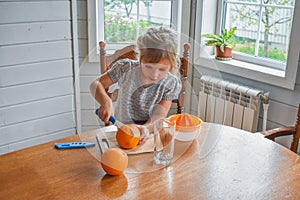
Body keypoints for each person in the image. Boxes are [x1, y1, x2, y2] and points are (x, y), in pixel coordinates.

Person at [90, 26, 182, 141]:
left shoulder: (171, 83)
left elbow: (159, 115)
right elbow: (95, 84)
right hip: (121, 130)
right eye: (148, 66)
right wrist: (106, 101)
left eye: (162, 69)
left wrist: (145, 129)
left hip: (149, 132)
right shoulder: (125, 68)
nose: (154, 75)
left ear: (172, 64)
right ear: (140, 57)